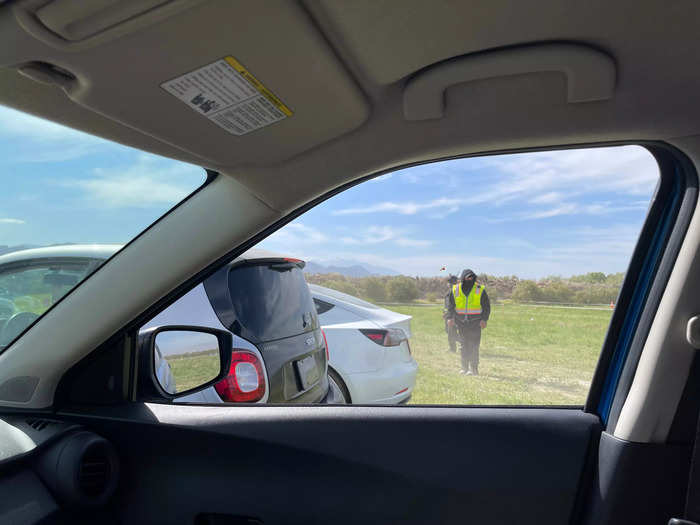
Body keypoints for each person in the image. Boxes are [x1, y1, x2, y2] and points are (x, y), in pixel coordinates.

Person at [447, 269, 490, 375]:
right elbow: (451, 305)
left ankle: (474, 369)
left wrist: (484, 319)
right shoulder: (455, 289)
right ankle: (464, 368)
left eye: (472, 277)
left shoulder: (479, 289)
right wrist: (450, 317)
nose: (470, 279)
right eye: (467, 277)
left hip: (476, 322)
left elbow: (486, 306)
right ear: (463, 277)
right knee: (463, 345)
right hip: (461, 322)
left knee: (474, 346)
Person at [443, 275, 459, 353]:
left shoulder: (455, 291)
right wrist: (445, 313)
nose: (448, 283)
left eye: (449, 282)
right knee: (449, 331)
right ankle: (466, 343)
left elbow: (453, 305)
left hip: (453, 316)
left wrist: (451, 316)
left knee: (451, 333)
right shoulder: (450, 291)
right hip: (448, 315)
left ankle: (453, 349)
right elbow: (447, 305)